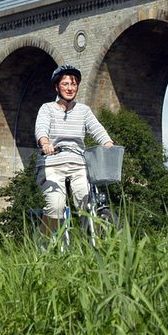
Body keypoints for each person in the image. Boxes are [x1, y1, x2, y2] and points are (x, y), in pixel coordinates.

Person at [35, 64, 116, 234]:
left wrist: (108, 144)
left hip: (79, 163)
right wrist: (45, 144)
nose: (70, 88)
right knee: (56, 206)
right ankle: (44, 240)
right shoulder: (47, 109)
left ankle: (93, 239)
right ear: (57, 86)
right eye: (65, 84)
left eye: (73, 84)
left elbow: (96, 129)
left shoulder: (83, 111)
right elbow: (41, 129)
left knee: (87, 202)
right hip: (52, 163)